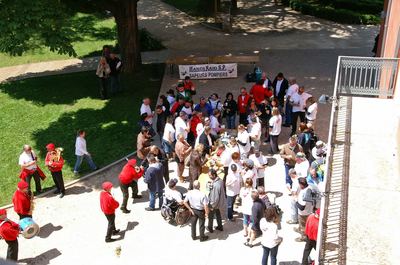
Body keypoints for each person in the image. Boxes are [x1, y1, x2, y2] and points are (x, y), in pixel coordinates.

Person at [295, 177, 314, 242]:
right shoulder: (310, 188)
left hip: (303, 213)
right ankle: (300, 229)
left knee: (303, 225)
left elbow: (302, 207)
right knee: (306, 224)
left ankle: (303, 237)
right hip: (309, 210)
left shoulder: (303, 193)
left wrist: (296, 201)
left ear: (301, 185)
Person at [207, 169, 226, 233]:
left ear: (214, 175)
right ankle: (220, 226)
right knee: (218, 214)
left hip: (214, 204)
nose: (209, 176)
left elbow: (215, 198)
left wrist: (212, 206)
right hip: (219, 203)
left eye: (210, 175)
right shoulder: (220, 180)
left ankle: (210, 228)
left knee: (210, 217)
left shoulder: (215, 185)